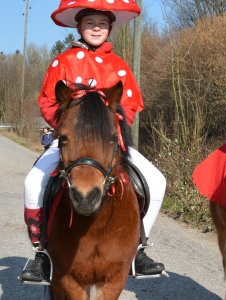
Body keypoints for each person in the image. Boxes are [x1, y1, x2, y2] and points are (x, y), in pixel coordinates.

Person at [19, 0, 165, 282]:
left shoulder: (119, 65)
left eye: (102, 24)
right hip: (71, 141)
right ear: (79, 26)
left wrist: (115, 124)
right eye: (90, 23)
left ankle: (138, 248)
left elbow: (131, 104)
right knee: (32, 183)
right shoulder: (63, 61)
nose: (96, 28)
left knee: (156, 181)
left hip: (109, 142)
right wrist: (70, 125)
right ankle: (41, 254)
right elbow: (49, 102)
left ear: (110, 28)